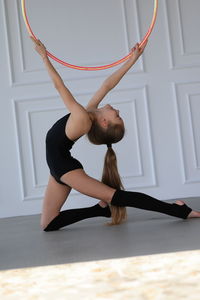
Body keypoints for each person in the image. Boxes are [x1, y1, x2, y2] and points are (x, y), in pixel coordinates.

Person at [30, 37, 200, 232]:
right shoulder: (91, 112)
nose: (117, 110)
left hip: (65, 169)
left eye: (117, 116)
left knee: (116, 196)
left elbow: (60, 87)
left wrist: (44, 57)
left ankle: (178, 210)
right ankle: (100, 209)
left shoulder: (82, 119)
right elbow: (107, 85)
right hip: (57, 168)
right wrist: (133, 60)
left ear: (105, 122)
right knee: (48, 223)